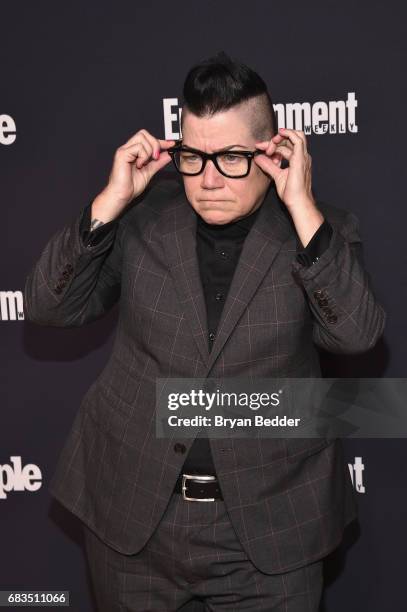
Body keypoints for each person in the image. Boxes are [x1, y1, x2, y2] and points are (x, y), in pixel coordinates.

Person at [24, 51, 385, 611]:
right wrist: (111, 201)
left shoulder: (320, 231)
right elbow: (47, 307)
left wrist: (302, 206)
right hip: (135, 525)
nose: (209, 179)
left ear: (272, 153)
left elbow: (359, 335)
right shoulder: (141, 217)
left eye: (233, 158)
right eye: (194, 157)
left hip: (269, 538)